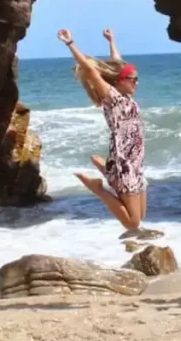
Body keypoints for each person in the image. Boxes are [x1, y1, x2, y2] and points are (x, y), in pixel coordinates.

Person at [57, 27, 147, 229]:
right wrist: (70, 43)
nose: (137, 83)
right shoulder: (112, 98)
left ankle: (106, 170)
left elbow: (118, 64)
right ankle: (98, 188)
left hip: (136, 160)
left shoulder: (126, 96)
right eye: (134, 79)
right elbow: (91, 71)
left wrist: (111, 41)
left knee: (141, 214)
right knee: (132, 223)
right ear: (121, 81)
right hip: (124, 161)